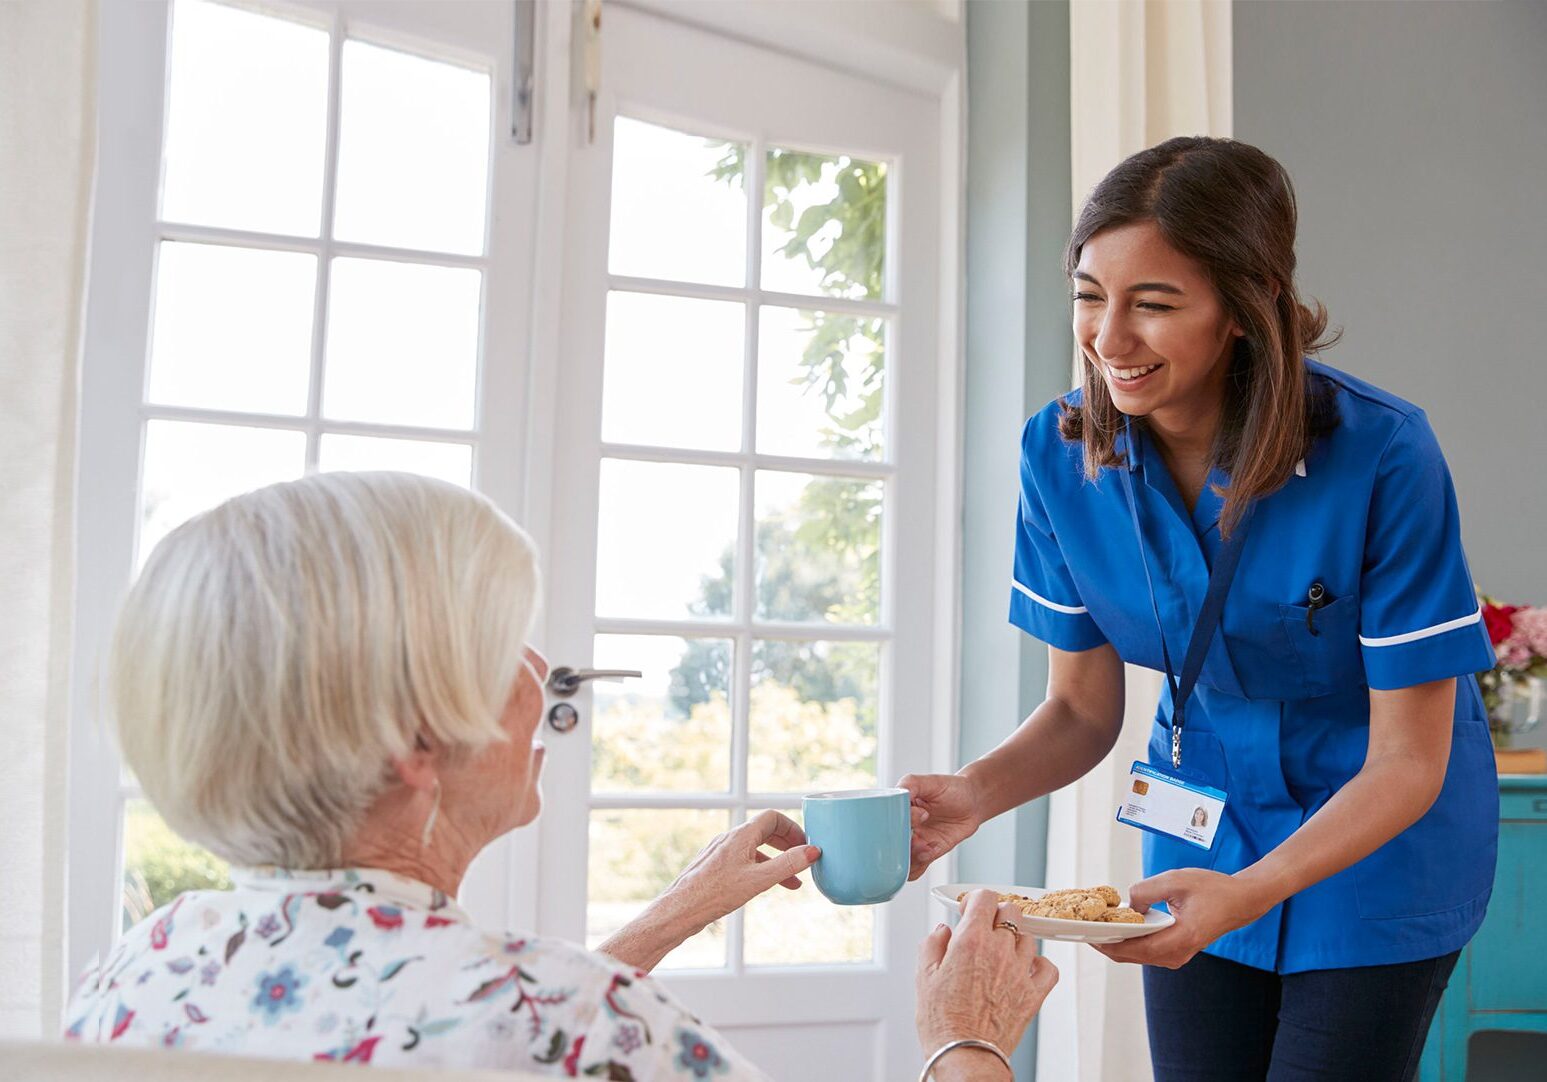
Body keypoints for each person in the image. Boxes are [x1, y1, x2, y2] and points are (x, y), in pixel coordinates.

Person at [64, 471, 1056, 1081]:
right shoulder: (579, 1022)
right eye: (506, 647)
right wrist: (963, 1041)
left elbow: (462, 1026)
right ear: (415, 738)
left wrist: (668, 915)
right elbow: (542, 1027)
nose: (544, 677)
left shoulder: (136, 969)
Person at [900, 137, 1497, 1081]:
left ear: (1244, 306)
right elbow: (1080, 711)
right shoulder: (1056, 455)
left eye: (1154, 304)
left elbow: (1408, 760)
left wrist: (1252, 891)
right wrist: (972, 794)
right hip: (1198, 830)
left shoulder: (1381, 454)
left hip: (1374, 850)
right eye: (1090, 295)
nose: (1108, 338)